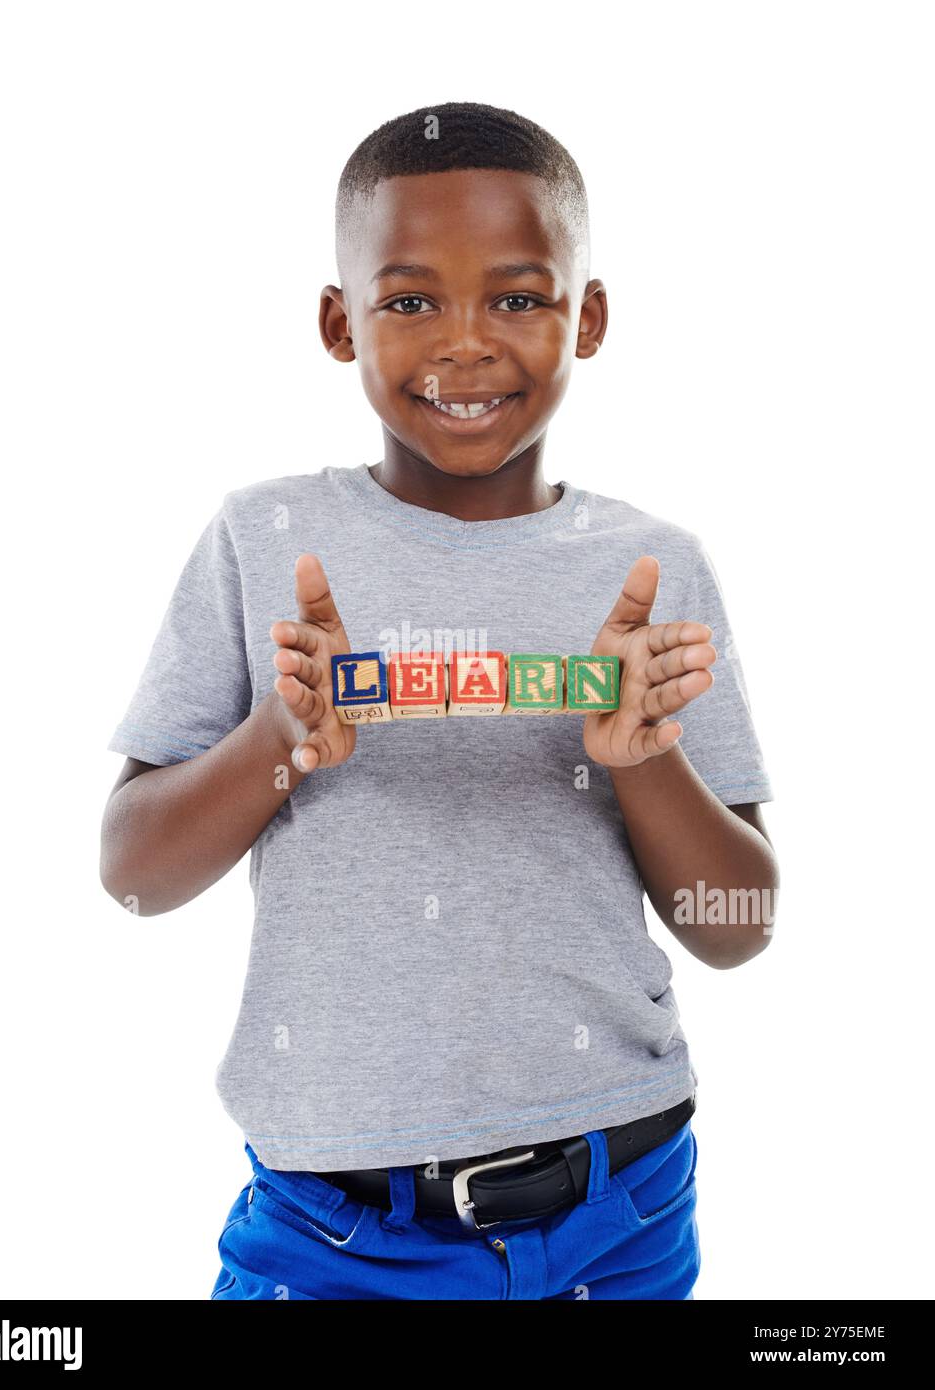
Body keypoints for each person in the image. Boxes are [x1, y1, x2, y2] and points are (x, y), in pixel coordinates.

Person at [100, 101, 779, 1301]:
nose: (464, 344)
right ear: (335, 320)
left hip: (618, 1209)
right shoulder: (264, 538)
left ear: (590, 316)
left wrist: (640, 759)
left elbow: (738, 922)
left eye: (517, 297)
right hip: (330, 1230)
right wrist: (278, 743)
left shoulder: (653, 568)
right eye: (409, 300)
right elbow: (134, 875)